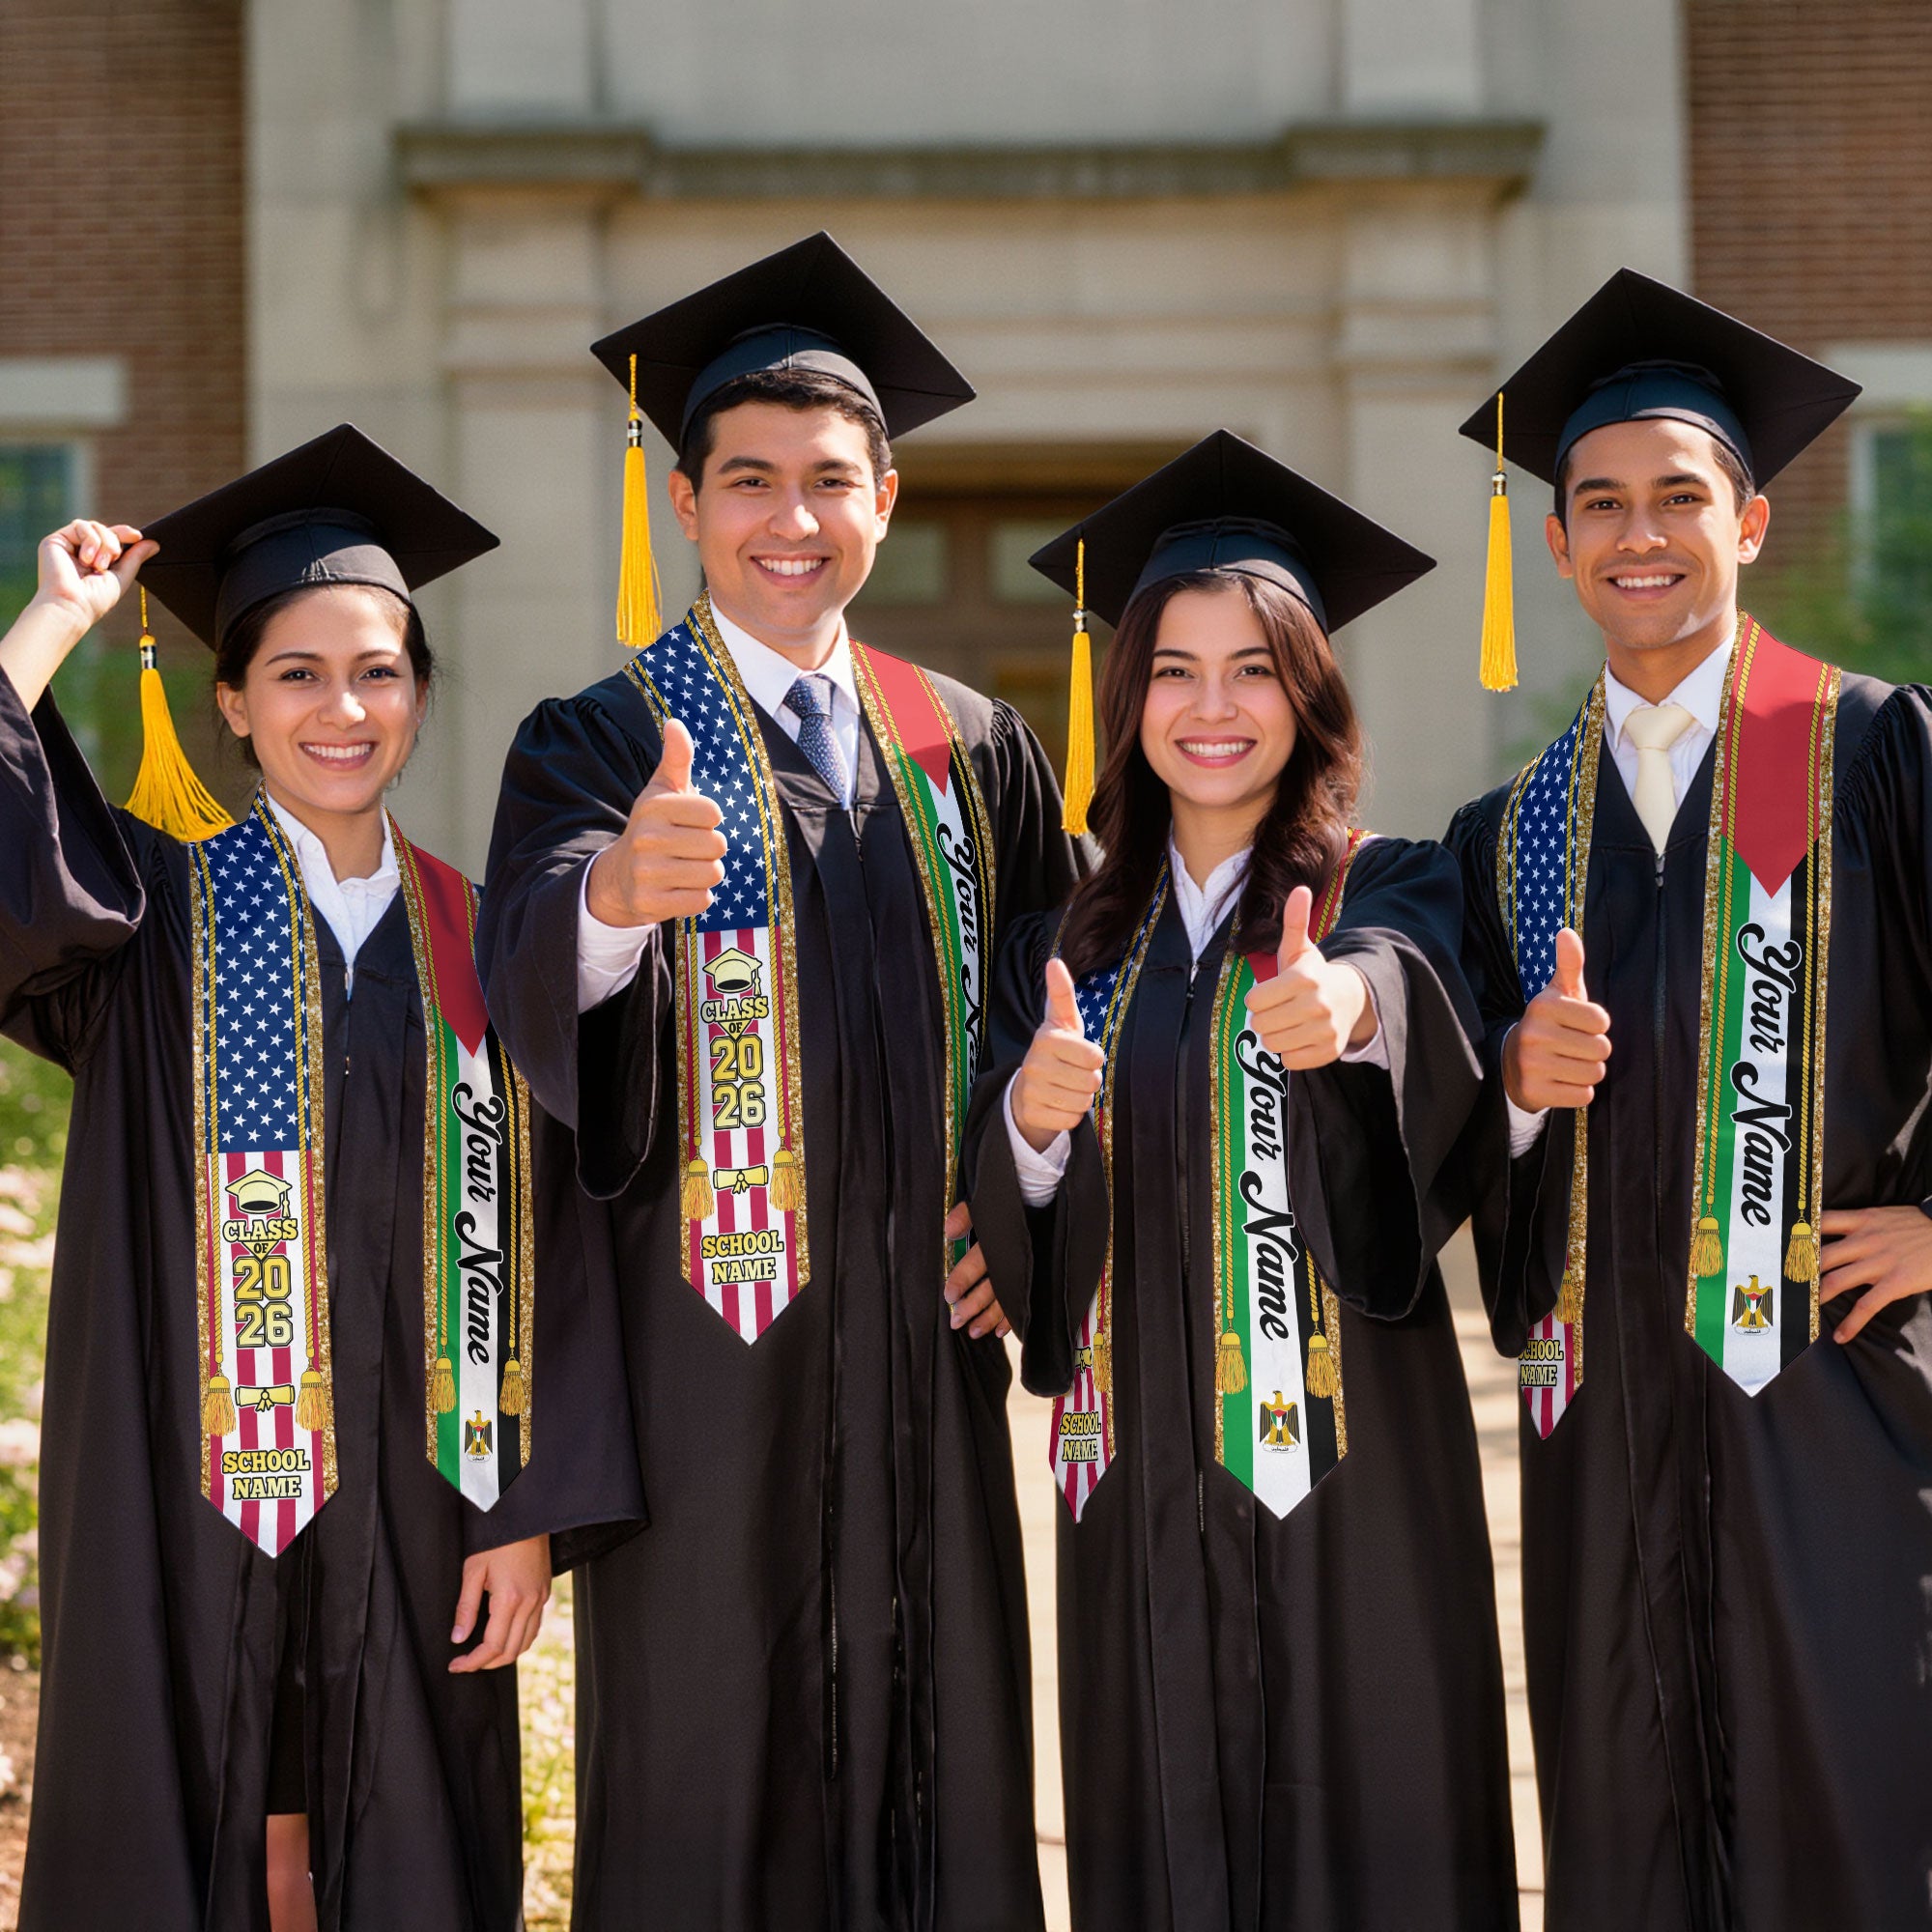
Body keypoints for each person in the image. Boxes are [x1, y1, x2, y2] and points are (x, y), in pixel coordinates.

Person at [478, 233, 1083, 1930]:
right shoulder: (598, 738)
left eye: (831, 481)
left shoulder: (973, 742)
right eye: (749, 481)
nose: (790, 519)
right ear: (686, 503)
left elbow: (1071, 1004)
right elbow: (527, 969)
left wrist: (1023, 1205)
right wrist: (609, 901)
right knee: (709, 1778)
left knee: (943, 1763)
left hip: (925, 1361)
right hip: (706, 1372)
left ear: (886, 497)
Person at [0, 425, 640, 1932]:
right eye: (295, 673)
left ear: (419, 695)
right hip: (184, 1480)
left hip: (425, 1500)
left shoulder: (491, 940)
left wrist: (525, 1508)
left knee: (407, 1832)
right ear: (230, 701)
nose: (340, 708)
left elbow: (565, 1237)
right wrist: (51, 624)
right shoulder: (145, 916)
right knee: (193, 1804)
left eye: (378, 671)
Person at [964, 431, 1518, 1931]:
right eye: (1175, 671)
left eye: (1256, 669)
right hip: (1135, 1474)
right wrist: (1026, 1119)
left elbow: (1414, 991)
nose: (1214, 709)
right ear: (1127, 696)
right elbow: (1012, 1209)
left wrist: (1351, 1012)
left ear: (1311, 692)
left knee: (1378, 1828)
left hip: (1357, 1476)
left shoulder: (1388, 885)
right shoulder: (1062, 946)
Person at [1446, 270, 1932, 1931]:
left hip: (1838, 1409)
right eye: (1599, 504)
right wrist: (1511, 1090)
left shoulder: (1872, 751)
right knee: (1625, 1827)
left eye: (1678, 497)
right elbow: (1447, 1141)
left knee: (1854, 1813)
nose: (1637, 534)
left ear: (1752, 520)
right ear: (1561, 543)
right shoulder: (1509, 832)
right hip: (1604, 1430)